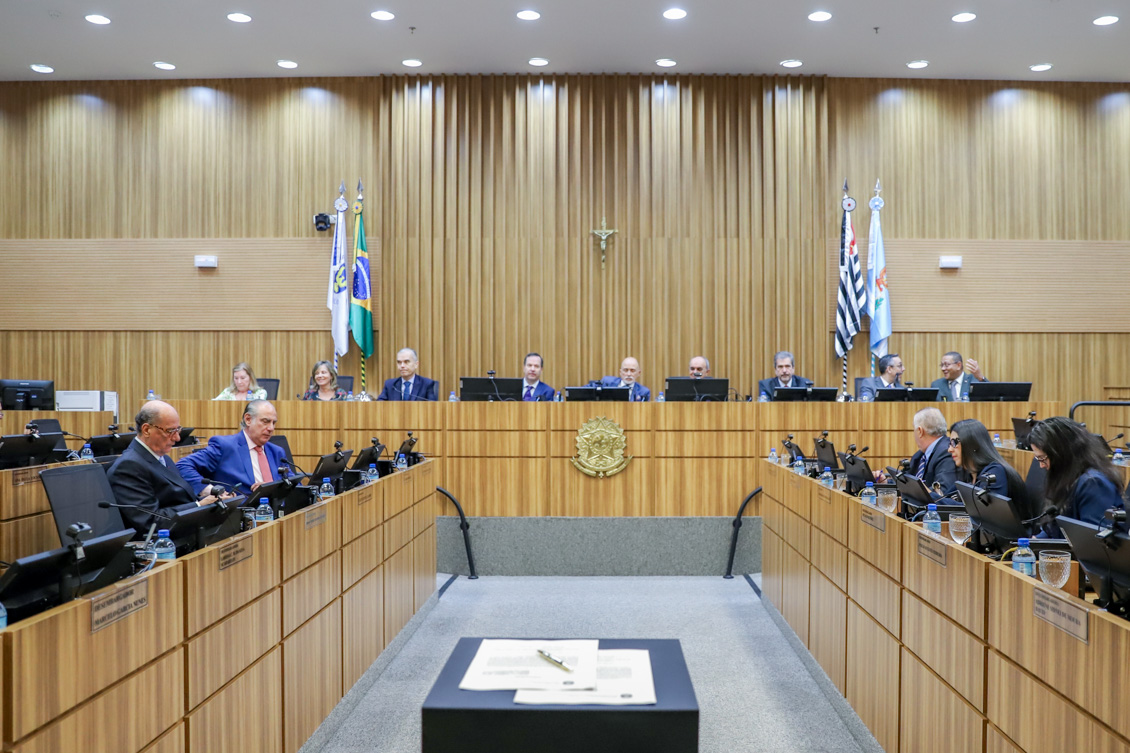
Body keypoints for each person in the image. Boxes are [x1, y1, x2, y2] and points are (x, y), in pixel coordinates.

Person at [107, 401, 222, 534]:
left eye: (178, 430)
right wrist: (199, 506)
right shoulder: (128, 466)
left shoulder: (164, 458)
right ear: (147, 430)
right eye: (170, 431)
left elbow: (180, 500)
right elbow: (150, 521)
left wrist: (211, 501)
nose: (177, 438)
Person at [1028, 416, 1125, 537]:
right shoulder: (1065, 477)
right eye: (1038, 459)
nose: (1041, 465)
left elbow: (1093, 541)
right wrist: (1036, 543)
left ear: (1062, 452)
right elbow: (1055, 529)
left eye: (1042, 458)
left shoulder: (1093, 483)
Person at [177, 399, 287, 496]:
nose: (271, 428)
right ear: (248, 419)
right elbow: (183, 465)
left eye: (274, 423)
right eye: (265, 422)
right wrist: (209, 490)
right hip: (240, 514)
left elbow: (295, 485)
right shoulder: (224, 446)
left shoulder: (276, 452)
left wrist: (270, 488)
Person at [947, 419, 1035, 518]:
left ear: (972, 444)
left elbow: (982, 512)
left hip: (1012, 532)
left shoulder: (995, 473)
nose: (949, 449)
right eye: (949, 443)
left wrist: (932, 496)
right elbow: (943, 499)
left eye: (954, 443)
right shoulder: (968, 474)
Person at [906, 407, 958, 498]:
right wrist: (887, 482)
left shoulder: (947, 452)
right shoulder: (920, 455)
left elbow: (942, 492)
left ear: (920, 431)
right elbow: (907, 479)